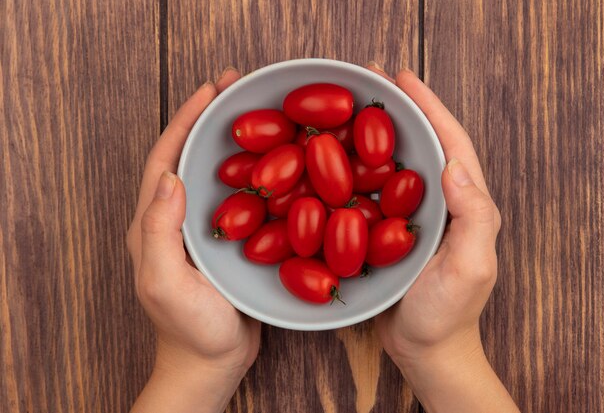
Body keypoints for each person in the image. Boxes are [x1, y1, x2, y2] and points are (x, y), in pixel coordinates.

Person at [126, 64, 521, 413]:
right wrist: (439, 350)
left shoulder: (328, 190)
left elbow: (320, 216)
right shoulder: (318, 190)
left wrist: (197, 364)